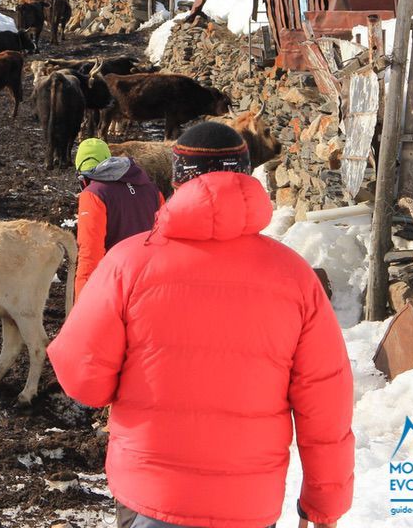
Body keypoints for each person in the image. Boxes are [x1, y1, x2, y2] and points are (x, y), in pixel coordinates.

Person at [49, 122, 354, 528]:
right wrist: (323, 504)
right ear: (247, 175)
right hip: (247, 503)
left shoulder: (127, 264)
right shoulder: (295, 276)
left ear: (176, 179)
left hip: (151, 493)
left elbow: (85, 382)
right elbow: (327, 403)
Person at [71, 137, 162, 305]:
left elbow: (90, 255)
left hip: (117, 287)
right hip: (153, 285)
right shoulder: (152, 190)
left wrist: (82, 306)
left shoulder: (93, 194)